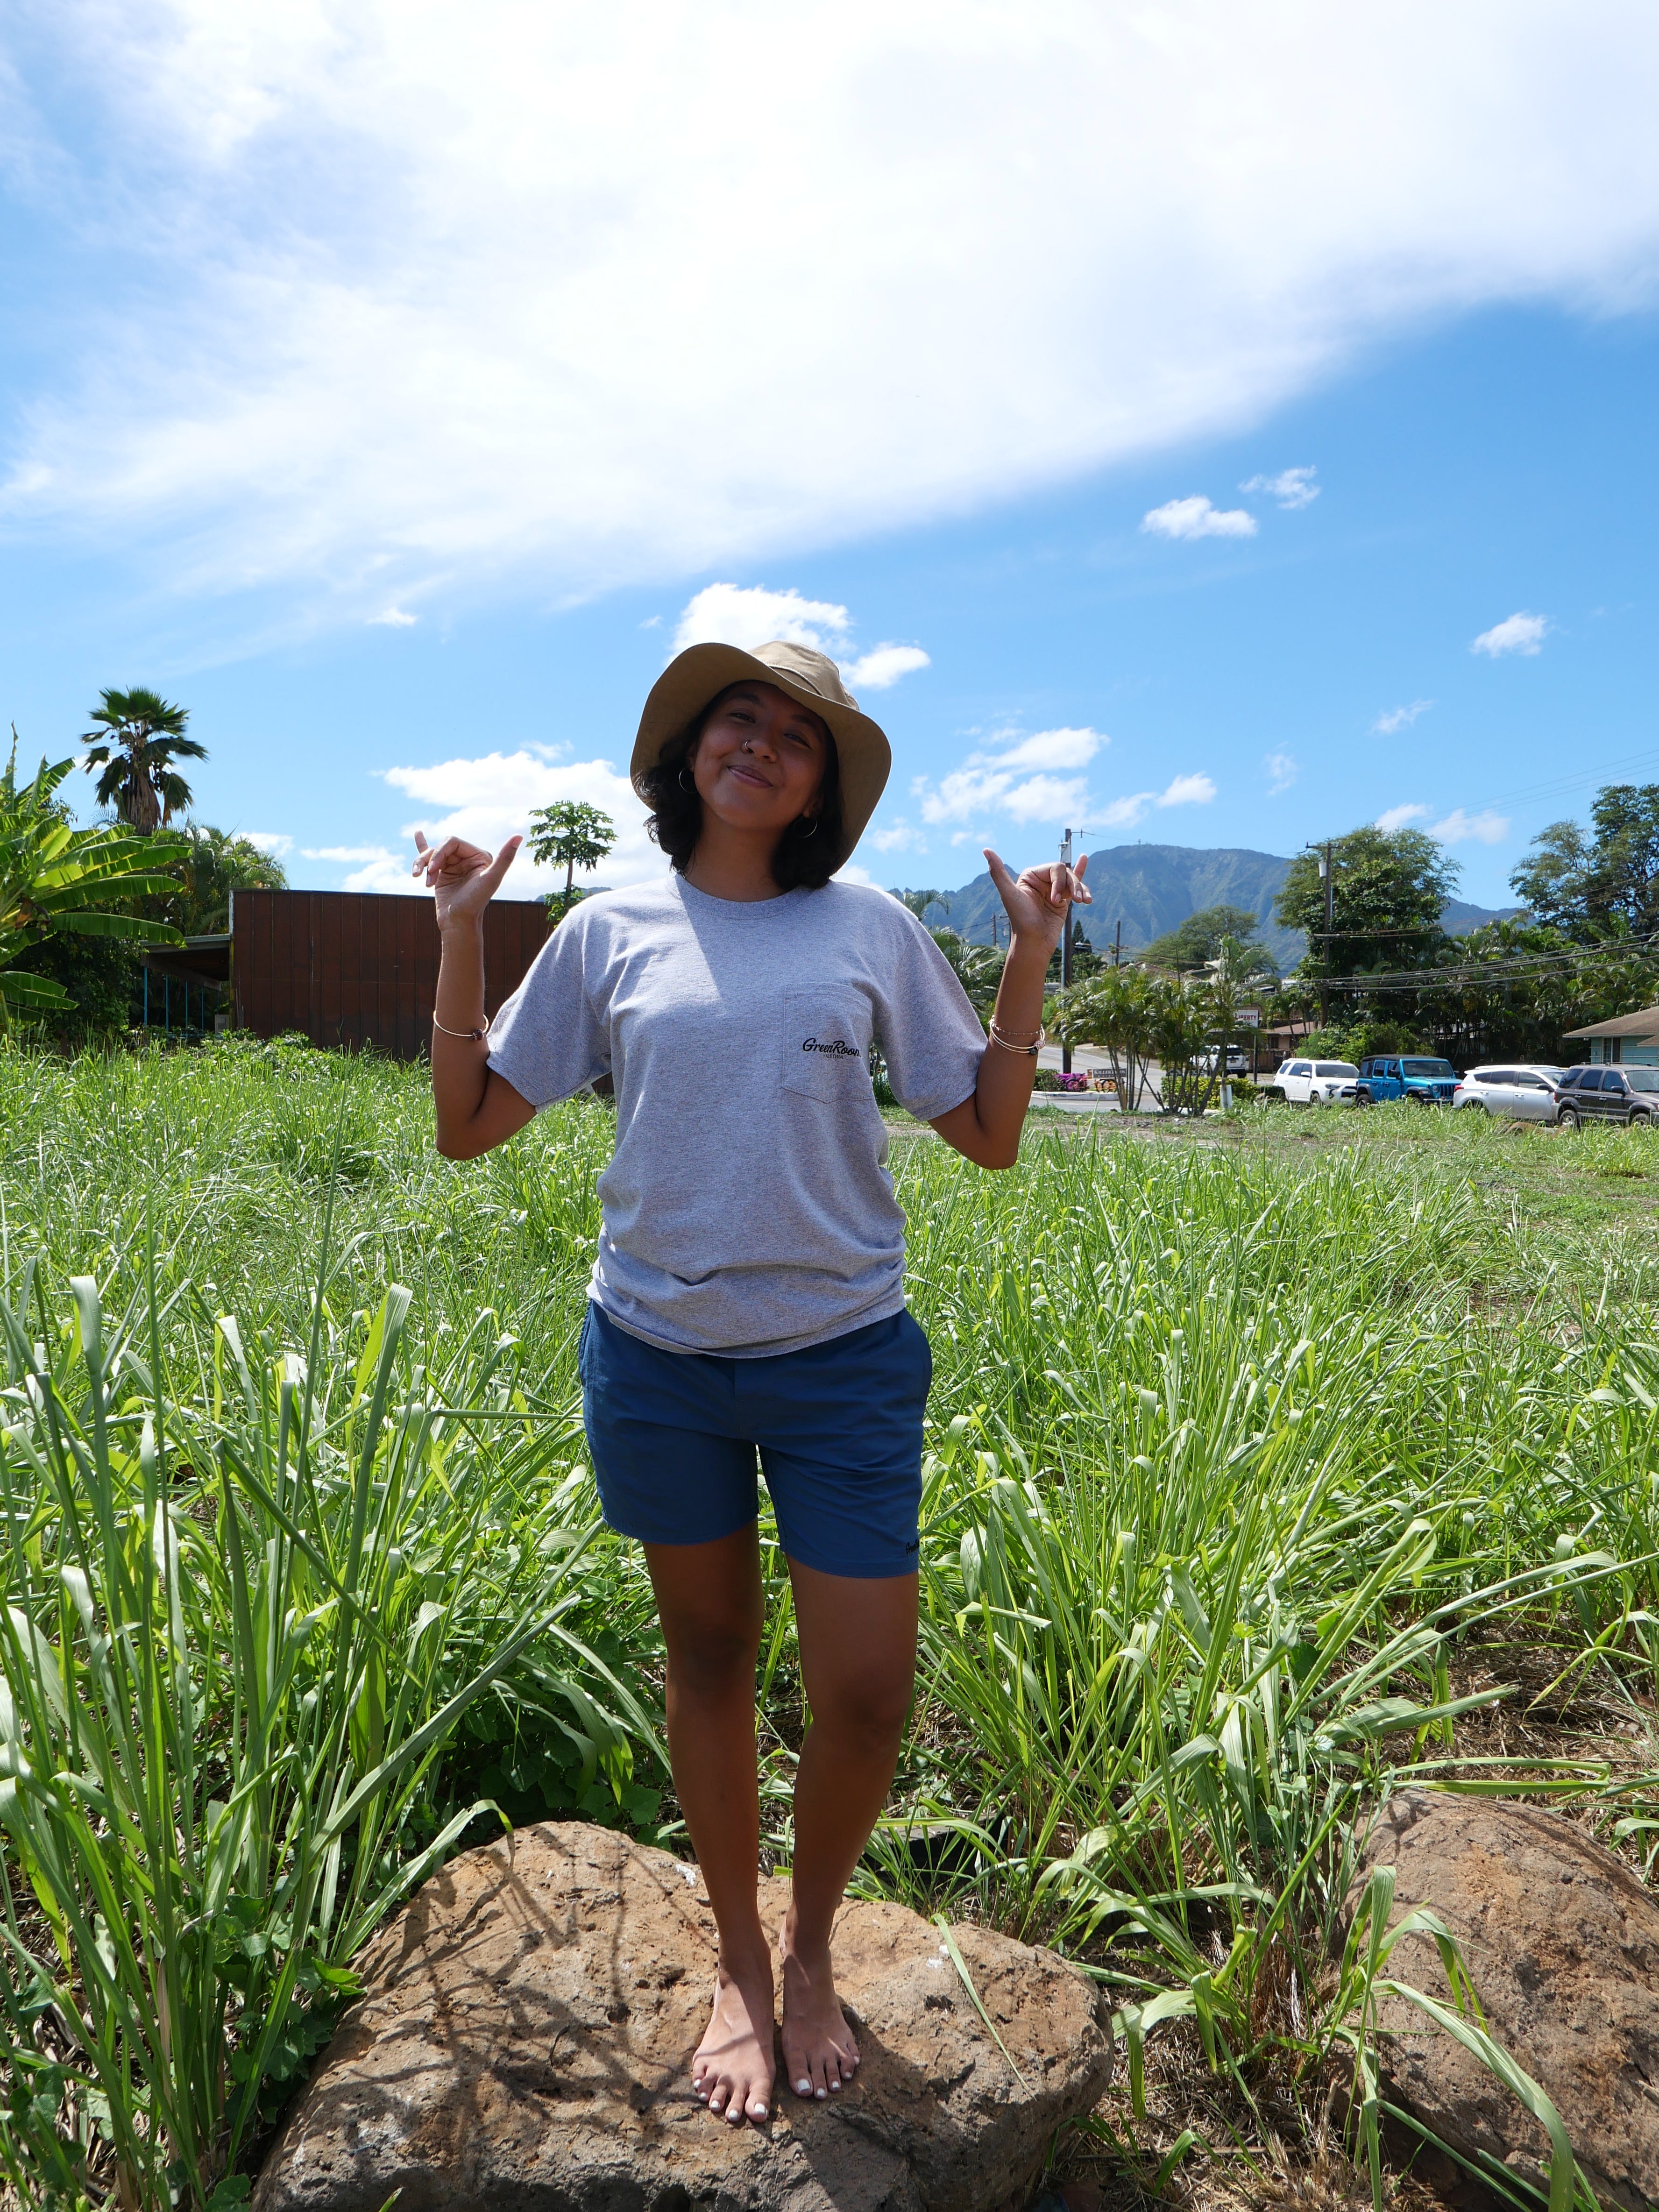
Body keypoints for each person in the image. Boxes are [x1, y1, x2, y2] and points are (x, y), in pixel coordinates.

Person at [413, 638, 1089, 2130]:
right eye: (742, 717)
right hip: (658, 1357)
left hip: (843, 1360)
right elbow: (468, 1125)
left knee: (863, 1695)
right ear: (691, 752)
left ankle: (812, 1948)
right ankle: (735, 1962)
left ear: (819, 789)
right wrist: (464, 929)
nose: (765, 743)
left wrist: (1031, 950)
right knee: (709, 1661)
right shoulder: (604, 931)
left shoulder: (871, 927)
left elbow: (983, 1131)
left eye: (799, 733)